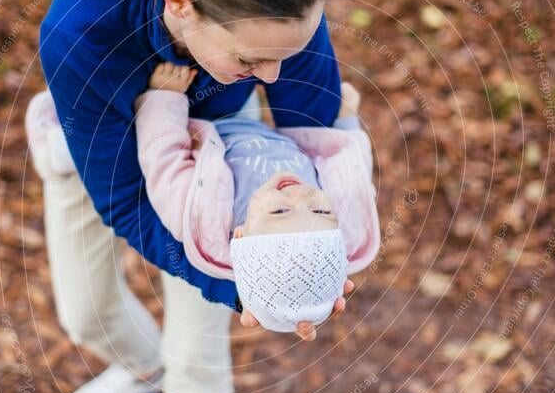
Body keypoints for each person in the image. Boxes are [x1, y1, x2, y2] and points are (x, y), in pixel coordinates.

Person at [29, 0, 354, 393]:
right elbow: (125, 200)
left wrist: (267, 264)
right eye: (250, 60)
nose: (272, 77)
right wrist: (222, 278)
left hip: (217, 160)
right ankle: (142, 368)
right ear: (179, 5)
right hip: (95, 148)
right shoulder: (81, 30)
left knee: (196, 354)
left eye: (285, 55)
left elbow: (312, 129)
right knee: (87, 315)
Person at [132, 62, 379, 336]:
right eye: (321, 211)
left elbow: (165, 160)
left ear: (240, 235)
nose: (300, 194)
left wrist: (164, 99)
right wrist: (345, 120)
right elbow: (347, 169)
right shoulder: (345, 223)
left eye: (281, 211)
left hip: (198, 119)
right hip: (255, 117)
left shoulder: (204, 218)